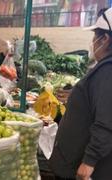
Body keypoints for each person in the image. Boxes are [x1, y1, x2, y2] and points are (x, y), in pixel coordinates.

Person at [50, 7, 112, 180]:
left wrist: (88, 162)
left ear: (105, 39)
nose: (93, 42)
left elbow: (106, 122)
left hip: (82, 170)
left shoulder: (108, 70)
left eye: (95, 36)